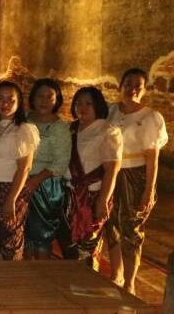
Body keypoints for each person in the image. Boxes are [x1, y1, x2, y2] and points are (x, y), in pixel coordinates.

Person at [106, 68, 168, 294]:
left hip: (136, 175)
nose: (132, 89)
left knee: (131, 227)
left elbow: (153, 158)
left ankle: (130, 282)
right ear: (120, 85)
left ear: (144, 89)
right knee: (110, 222)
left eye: (137, 86)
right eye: (128, 83)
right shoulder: (111, 111)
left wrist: (148, 190)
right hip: (111, 173)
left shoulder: (150, 117)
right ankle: (116, 274)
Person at [0, 81, 39, 260]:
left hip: (11, 187)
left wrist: (11, 199)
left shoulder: (23, 129)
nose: (5, 103)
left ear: (19, 102)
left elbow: (25, 168)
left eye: (10, 99)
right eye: (0, 98)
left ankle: (14, 275)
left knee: (11, 238)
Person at [68, 87, 122, 269]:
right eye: (78, 103)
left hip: (92, 196)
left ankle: (88, 281)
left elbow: (111, 169)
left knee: (87, 246)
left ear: (97, 105)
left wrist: (103, 200)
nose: (82, 107)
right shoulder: (71, 128)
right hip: (70, 195)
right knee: (70, 246)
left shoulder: (107, 131)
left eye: (88, 103)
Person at [24, 79, 72, 259]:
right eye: (40, 96)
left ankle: (42, 272)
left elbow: (61, 162)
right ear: (33, 98)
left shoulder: (60, 128)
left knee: (41, 235)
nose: (44, 101)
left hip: (46, 186)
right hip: (22, 181)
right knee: (24, 234)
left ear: (56, 100)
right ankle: (26, 272)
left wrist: (35, 181)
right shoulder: (25, 120)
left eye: (49, 97)